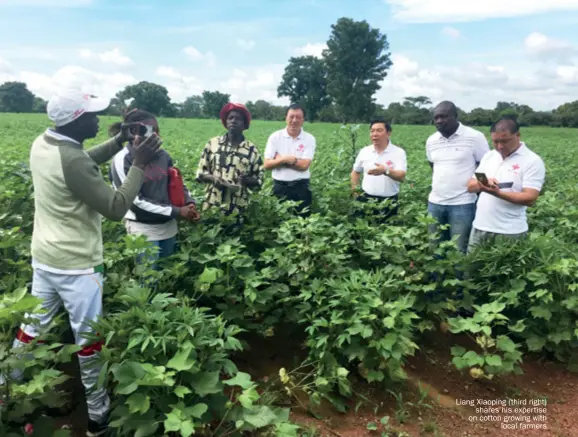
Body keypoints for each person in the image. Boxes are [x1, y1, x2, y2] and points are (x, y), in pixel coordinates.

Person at [0, 90, 162, 436]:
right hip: (77, 266)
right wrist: (138, 162)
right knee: (90, 342)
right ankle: (97, 418)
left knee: (30, 331)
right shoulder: (72, 162)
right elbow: (117, 207)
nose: (99, 120)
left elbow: (81, 162)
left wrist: (119, 140)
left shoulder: (44, 143)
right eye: (92, 115)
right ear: (75, 121)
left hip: (45, 257)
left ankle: (4, 394)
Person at [109, 109, 200, 266]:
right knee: (148, 281)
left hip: (168, 226)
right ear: (133, 131)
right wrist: (178, 211)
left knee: (166, 276)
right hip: (143, 230)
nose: (155, 135)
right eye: (149, 130)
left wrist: (188, 202)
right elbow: (133, 202)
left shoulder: (162, 155)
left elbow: (177, 182)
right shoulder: (123, 159)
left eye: (156, 129)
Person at [466, 118, 546, 252]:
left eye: (505, 141)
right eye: (496, 142)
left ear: (518, 136)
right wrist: (483, 183)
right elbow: (470, 185)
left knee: (506, 272)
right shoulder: (489, 156)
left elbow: (530, 198)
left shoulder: (532, 161)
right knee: (472, 271)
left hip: (510, 231)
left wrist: (497, 193)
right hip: (480, 227)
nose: (500, 146)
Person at [426, 101, 490, 253]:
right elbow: (433, 166)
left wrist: (484, 194)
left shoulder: (474, 137)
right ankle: (436, 278)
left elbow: (484, 166)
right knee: (435, 249)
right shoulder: (431, 141)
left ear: (455, 116)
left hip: (463, 203)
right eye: (436, 118)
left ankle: (459, 277)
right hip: (435, 202)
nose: (439, 121)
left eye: (444, 117)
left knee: (459, 249)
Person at [196, 103, 264, 219]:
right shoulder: (213, 144)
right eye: (230, 118)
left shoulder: (252, 150)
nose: (233, 121)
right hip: (212, 205)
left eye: (238, 119)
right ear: (225, 122)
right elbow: (200, 173)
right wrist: (214, 178)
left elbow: (259, 180)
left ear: (244, 124)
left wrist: (246, 180)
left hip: (238, 208)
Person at [263, 104, 316, 216]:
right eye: (291, 116)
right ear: (286, 118)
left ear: (303, 120)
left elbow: (304, 166)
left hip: (301, 187)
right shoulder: (275, 137)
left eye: (298, 117)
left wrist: (280, 160)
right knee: (280, 222)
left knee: (303, 222)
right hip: (279, 187)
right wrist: (287, 159)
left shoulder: (309, 139)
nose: (294, 120)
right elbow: (267, 164)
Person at [351, 117, 406, 222]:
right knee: (361, 233)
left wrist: (386, 171)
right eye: (372, 131)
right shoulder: (364, 151)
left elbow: (401, 176)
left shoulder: (398, 152)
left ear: (388, 133)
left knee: (387, 232)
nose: (374, 134)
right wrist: (355, 191)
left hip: (389, 202)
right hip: (365, 199)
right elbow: (355, 172)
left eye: (379, 130)